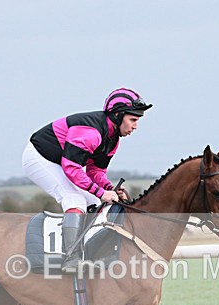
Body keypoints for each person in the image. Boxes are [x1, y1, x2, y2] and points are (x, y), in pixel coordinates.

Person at [22, 88, 152, 273]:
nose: (135, 126)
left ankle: (90, 252)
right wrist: (102, 192)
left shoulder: (113, 139)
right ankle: (71, 258)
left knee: (94, 201)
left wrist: (110, 189)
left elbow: (95, 171)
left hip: (62, 162)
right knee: (74, 199)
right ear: (118, 115)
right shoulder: (91, 132)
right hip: (39, 158)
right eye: (133, 120)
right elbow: (71, 168)